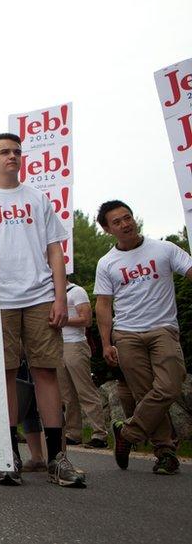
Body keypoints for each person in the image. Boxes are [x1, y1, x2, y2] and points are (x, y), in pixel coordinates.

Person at [0, 133, 85, 488]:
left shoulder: (38, 198)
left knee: (47, 372)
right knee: (6, 374)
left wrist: (61, 298)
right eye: (5, 152)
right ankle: (9, 455)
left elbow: (55, 251)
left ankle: (58, 457)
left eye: (17, 151)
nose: (12, 156)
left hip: (39, 297)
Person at [94, 200, 191, 475]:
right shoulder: (107, 263)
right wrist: (106, 342)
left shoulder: (164, 249)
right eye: (117, 222)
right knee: (145, 393)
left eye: (128, 217)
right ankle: (165, 453)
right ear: (107, 229)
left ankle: (128, 432)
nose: (126, 224)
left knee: (170, 387)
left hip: (163, 329)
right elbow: (103, 304)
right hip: (126, 335)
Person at [57, 282, 108, 449]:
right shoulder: (52, 294)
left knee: (85, 390)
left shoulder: (76, 291)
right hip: (58, 345)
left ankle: (100, 434)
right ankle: (73, 433)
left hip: (75, 344)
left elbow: (86, 320)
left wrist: (62, 320)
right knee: (67, 394)